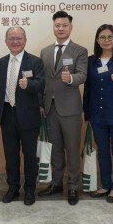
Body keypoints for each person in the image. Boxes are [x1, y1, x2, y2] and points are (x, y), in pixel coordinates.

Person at [38, 11, 88, 206]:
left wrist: (72, 78)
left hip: (70, 109)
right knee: (56, 149)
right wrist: (41, 104)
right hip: (50, 109)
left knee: (72, 149)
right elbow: (43, 80)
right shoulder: (45, 51)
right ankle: (57, 183)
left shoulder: (80, 51)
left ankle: (74, 185)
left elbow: (83, 75)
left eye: (64, 25)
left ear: (71, 27)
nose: (60, 28)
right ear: (53, 27)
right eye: (57, 25)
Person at [0, 26, 45, 206]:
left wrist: (28, 85)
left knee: (30, 156)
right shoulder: (1, 62)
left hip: (29, 116)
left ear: (25, 40)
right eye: (11, 38)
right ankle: (13, 188)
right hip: (7, 114)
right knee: (11, 155)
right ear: (6, 41)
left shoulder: (35, 61)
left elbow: (41, 84)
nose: (15, 42)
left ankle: (30, 190)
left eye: (19, 38)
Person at [83, 24, 113, 203]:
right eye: (102, 37)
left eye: (110, 37)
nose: (106, 40)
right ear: (97, 40)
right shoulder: (91, 61)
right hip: (97, 115)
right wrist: (87, 114)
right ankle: (105, 185)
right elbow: (87, 89)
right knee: (102, 151)